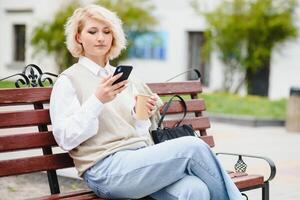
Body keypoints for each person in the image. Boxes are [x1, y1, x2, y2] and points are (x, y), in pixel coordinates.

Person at [50, 4, 243, 200]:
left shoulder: (124, 78)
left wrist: (141, 114)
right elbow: (65, 139)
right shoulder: (69, 80)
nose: (100, 37)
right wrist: (97, 100)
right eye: (92, 31)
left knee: (194, 189)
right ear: (78, 37)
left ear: (113, 37)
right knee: (193, 147)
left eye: (106, 32)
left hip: (140, 161)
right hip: (104, 169)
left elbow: (140, 133)